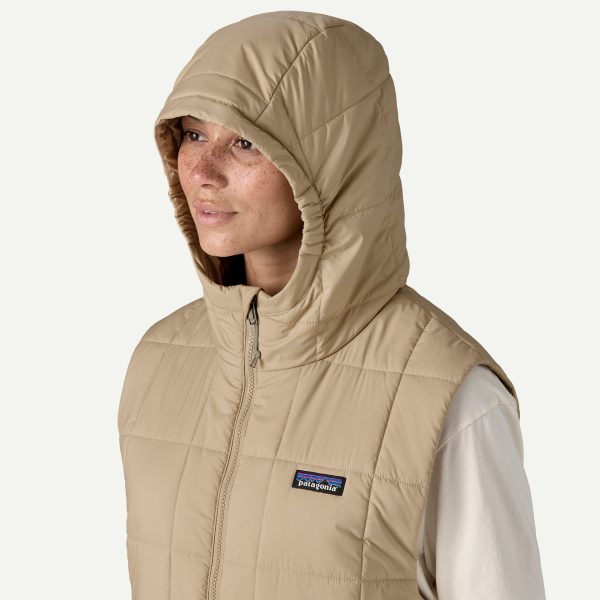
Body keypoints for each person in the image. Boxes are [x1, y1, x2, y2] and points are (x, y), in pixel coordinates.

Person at [117, 10, 546, 600]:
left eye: (245, 142)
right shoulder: (161, 362)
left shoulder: (446, 393)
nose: (203, 173)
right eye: (193, 134)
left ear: (332, 162)